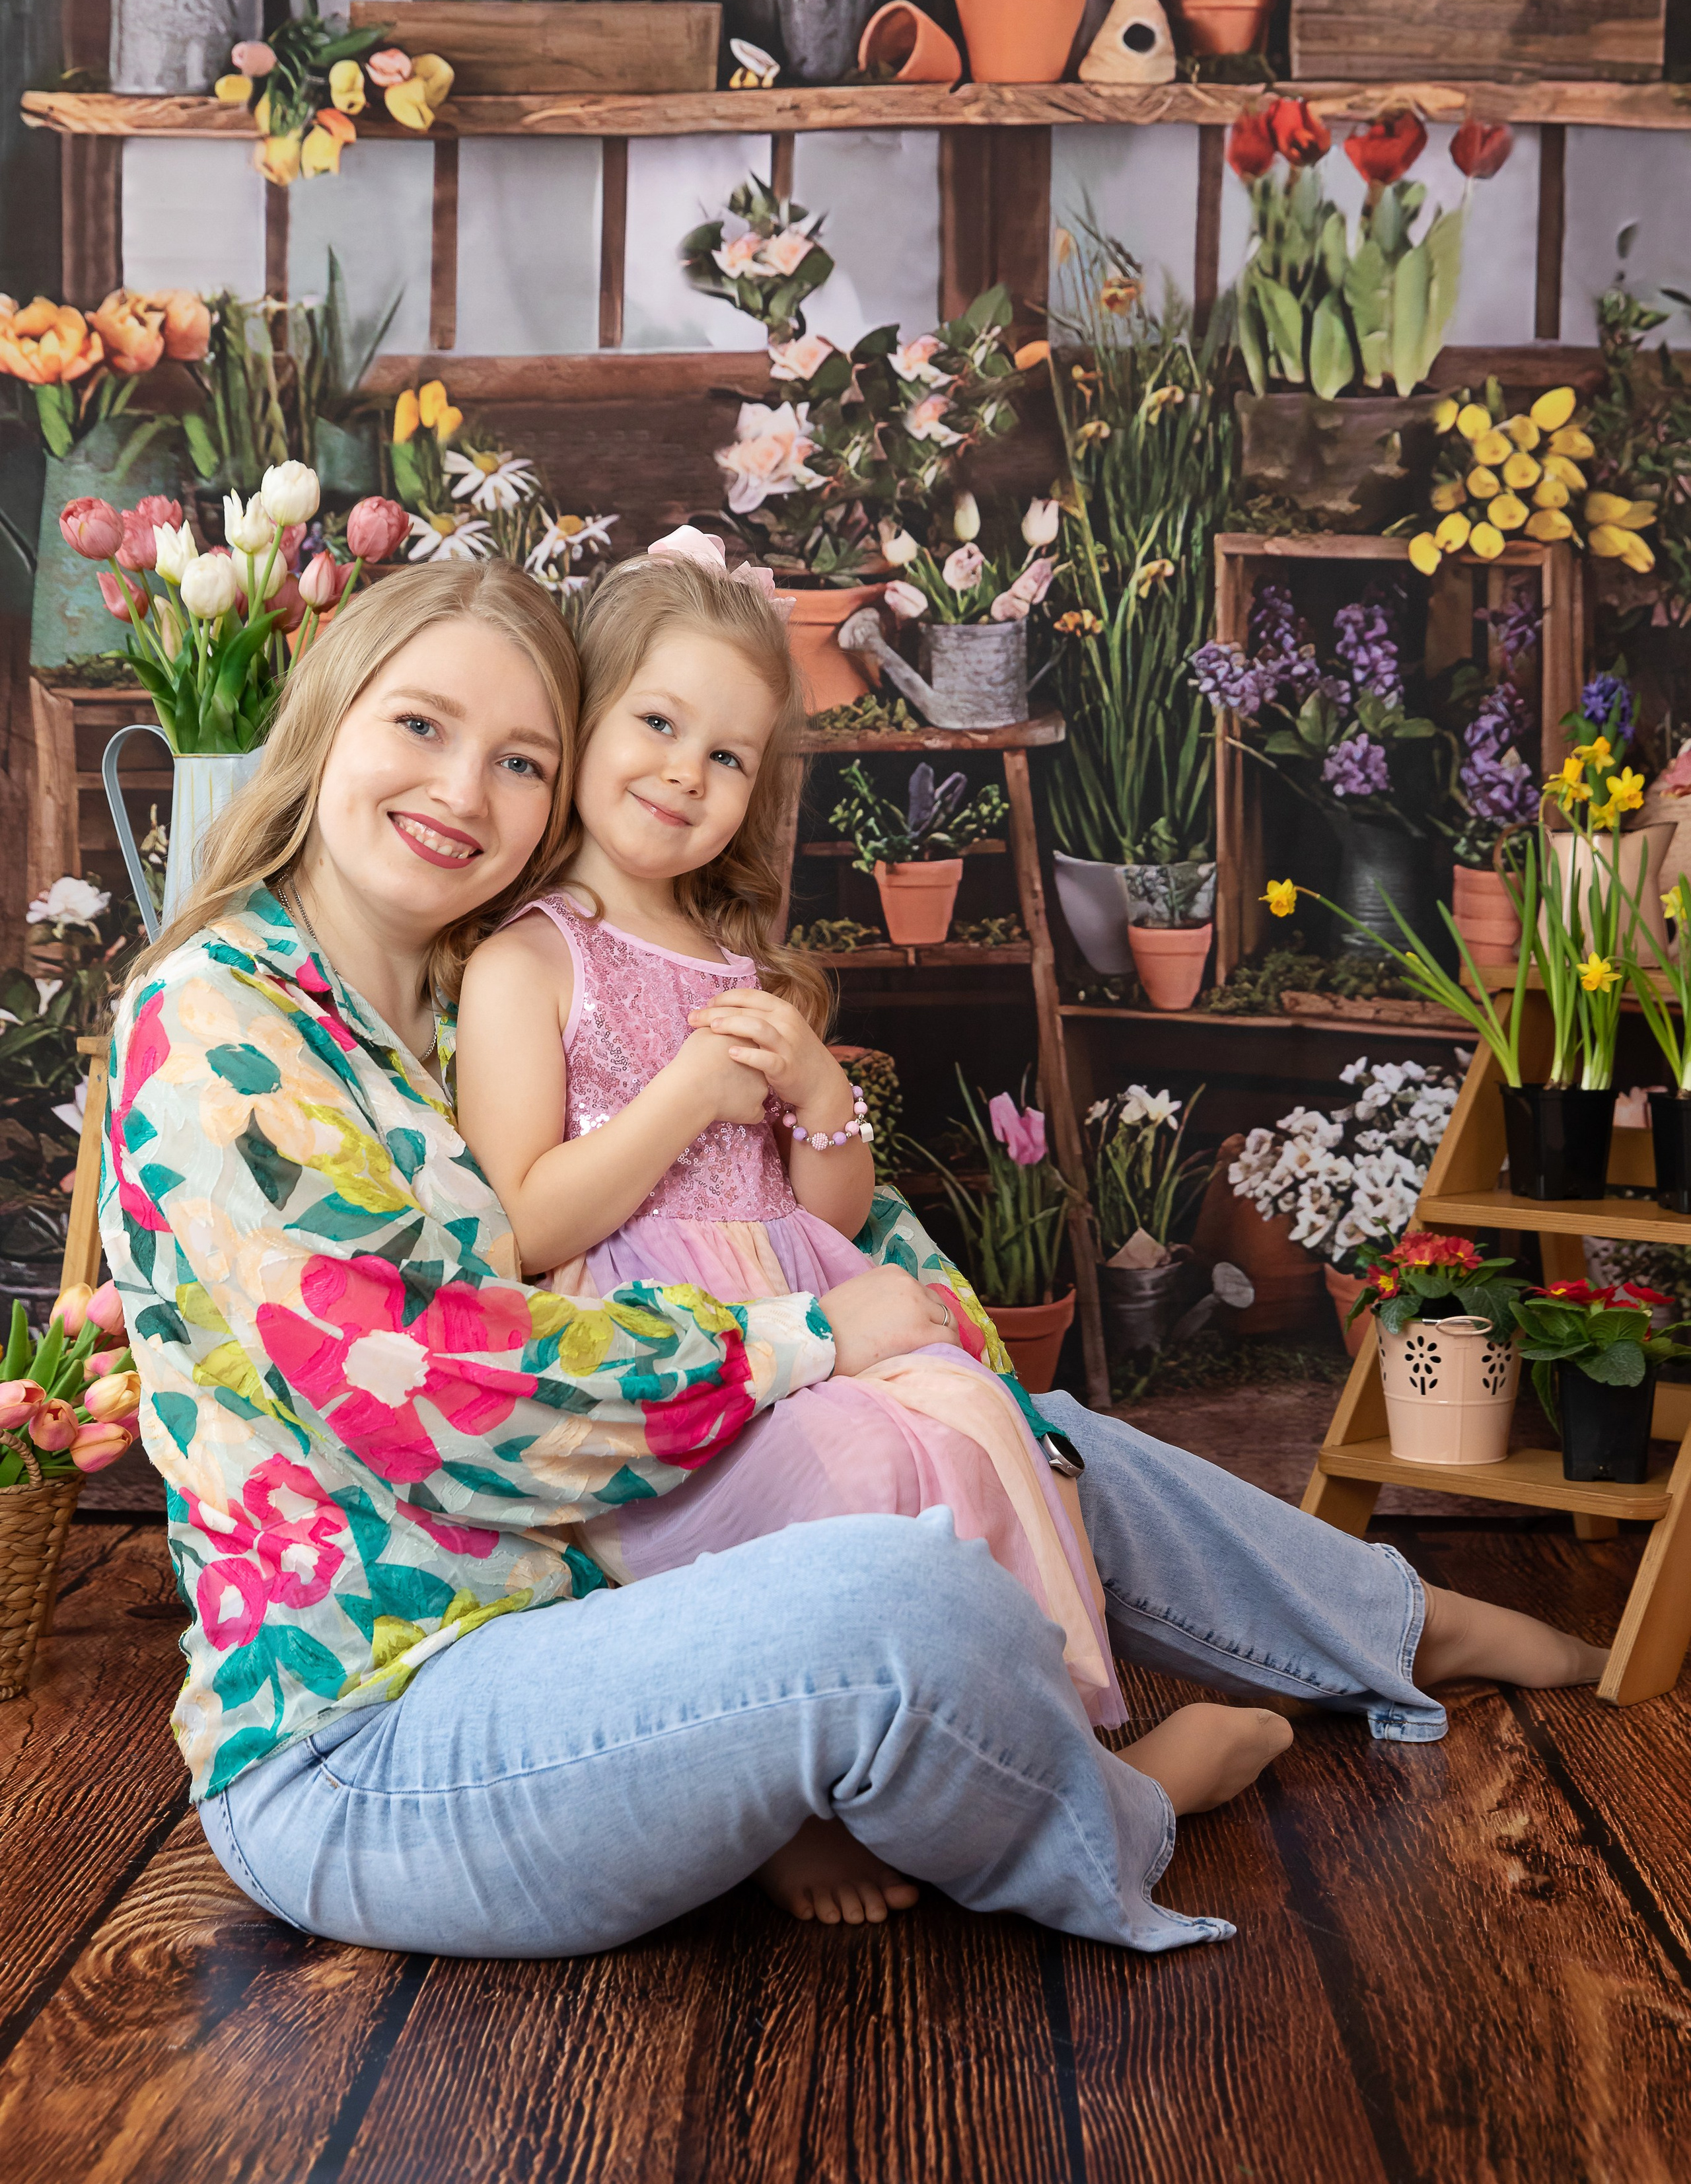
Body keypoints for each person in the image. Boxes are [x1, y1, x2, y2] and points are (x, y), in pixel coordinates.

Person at [100, 558, 1606, 1961]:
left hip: (580, 1616)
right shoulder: (221, 1022)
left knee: (1023, 1435)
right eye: (422, 725)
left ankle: (1394, 1624)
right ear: (328, 715)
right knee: (899, 1588)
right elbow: (446, 1397)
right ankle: (1123, 1801)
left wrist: (922, 1342)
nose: (461, 789)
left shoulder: (417, 1005)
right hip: (379, 1733)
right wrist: (804, 1343)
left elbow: (837, 1223)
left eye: (520, 760)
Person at [454, 538, 1126, 1746]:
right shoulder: (530, 960)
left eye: (727, 756)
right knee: (866, 1467)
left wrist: (819, 1088)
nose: (684, 772)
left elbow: (834, 1211)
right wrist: (685, 1093)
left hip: (805, 1293)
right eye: (657, 722)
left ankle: (1023, 1747)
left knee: (979, 1423)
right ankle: (871, 1761)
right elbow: (525, 1223)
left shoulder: (741, 966)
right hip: (666, 1354)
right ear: (583, 717)